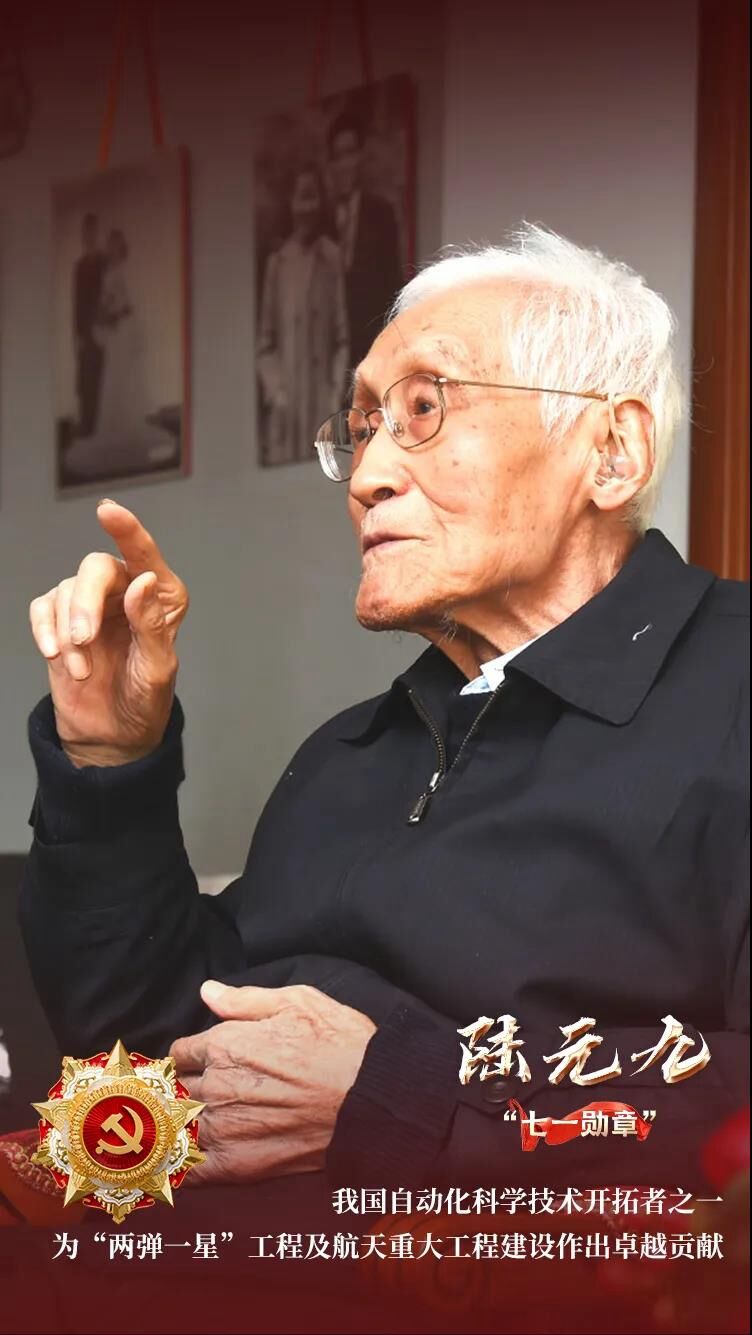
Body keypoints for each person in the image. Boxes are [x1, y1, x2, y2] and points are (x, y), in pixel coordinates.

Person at [23, 225, 748, 1197]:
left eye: (424, 408)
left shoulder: (731, 691)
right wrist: (108, 759)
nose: (366, 477)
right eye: (363, 426)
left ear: (610, 452)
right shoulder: (350, 754)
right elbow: (150, 1057)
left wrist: (409, 1095)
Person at [256, 163, 349, 465]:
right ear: (291, 203)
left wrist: (334, 394)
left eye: (313, 198)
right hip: (288, 407)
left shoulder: (331, 258)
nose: (307, 208)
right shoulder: (278, 264)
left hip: (322, 403)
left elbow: (342, 339)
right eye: (301, 198)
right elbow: (265, 345)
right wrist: (277, 393)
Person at [327, 110, 404, 378]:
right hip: (329, 350)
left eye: (350, 152)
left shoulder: (381, 213)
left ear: (360, 156)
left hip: (370, 346)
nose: (344, 163)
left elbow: (393, 285)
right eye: (337, 155)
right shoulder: (323, 217)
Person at [72, 212, 105, 437]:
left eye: (92, 231)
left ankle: (101, 428)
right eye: (85, 232)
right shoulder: (78, 266)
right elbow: (76, 303)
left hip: (103, 331)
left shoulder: (105, 262)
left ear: (96, 233)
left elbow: (110, 295)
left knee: (102, 379)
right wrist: (77, 335)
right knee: (85, 381)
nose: (88, 236)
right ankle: (87, 428)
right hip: (85, 333)